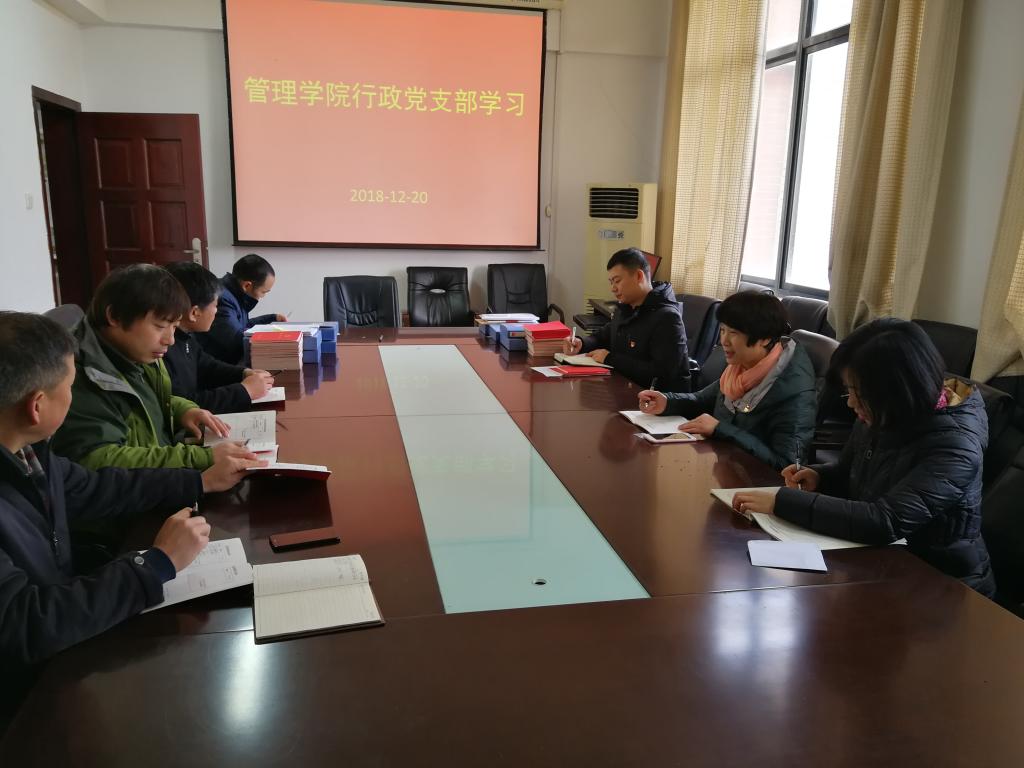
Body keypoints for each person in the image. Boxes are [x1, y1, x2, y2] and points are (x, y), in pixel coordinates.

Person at [0, 312, 259, 726]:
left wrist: (196, 480)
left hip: (63, 639)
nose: (74, 397)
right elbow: (24, 623)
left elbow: (98, 487)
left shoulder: (29, 453)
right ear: (37, 406)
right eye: (69, 387)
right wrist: (155, 563)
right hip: (25, 704)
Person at [732, 318, 996, 597]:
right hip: (882, 564)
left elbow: (886, 520)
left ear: (895, 389)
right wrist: (819, 476)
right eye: (849, 390)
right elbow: (851, 472)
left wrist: (783, 502)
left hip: (943, 586)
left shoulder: (956, 447)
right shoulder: (888, 412)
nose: (850, 402)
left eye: (858, 393)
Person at [50, 264, 258, 472]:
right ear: (115, 316)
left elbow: (147, 400)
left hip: (162, 467)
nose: (170, 340)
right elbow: (97, 459)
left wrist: (183, 410)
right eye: (160, 326)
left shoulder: (132, 350)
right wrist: (202, 458)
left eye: (174, 327)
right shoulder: (77, 375)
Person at [637, 290, 816, 469]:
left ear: (764, 339)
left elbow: (787, 465)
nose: (724, 340)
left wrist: (720, 429)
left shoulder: (793, 390)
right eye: (722, 330)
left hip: (754, 480)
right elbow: (703, 400)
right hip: (724, 465)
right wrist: (667, 402)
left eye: (734, 333)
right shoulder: (740, 367)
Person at [563, 248, 691, 391]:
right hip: (624, 389)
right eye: (611, 282)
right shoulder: (626, 307)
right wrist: (581, 343)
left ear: (638, 276)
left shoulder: (667, 317)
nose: (613, 288)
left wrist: (610, 358)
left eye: (617, 281)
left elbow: (662, 373)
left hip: (655, 399)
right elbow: (604, 336)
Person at [164, 261, 274, 413]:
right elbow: (186, 405)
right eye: (215, 305)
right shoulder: (164, 347)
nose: (217, 311)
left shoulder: (185, 337)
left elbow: (208, 366)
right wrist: (245, 391)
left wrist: (243, 373)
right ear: (194, 313)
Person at [199, 253, 286, 364]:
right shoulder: (223, 299)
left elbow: (243, 326)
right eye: (263, 292)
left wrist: (272, 318)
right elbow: (236, 340)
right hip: (218, 366)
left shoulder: (234, 293)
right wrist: (277, 339)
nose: (263, 296)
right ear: (247, 285)